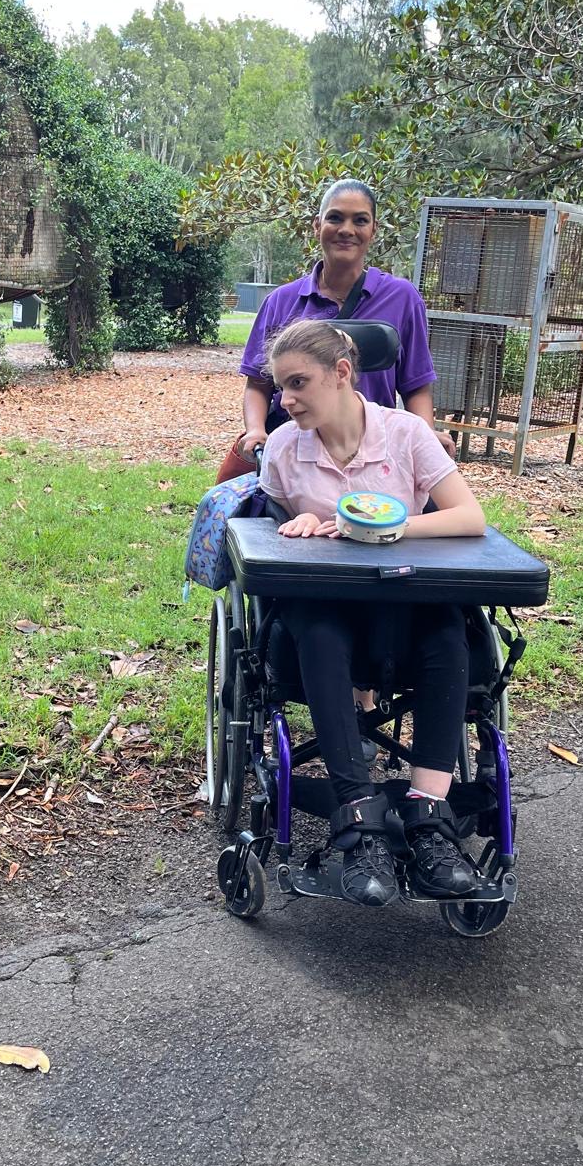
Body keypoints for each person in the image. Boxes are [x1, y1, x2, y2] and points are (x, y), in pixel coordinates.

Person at [259, 317, 487, 909]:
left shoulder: (406, 433)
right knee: (321, 632)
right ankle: (360, 824)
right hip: (327, 620)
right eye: (280, 386)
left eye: (297, 383)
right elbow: (267, 535)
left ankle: (429, 818)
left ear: (341, 374)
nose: (284, 399)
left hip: (402, 608)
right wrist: (299, 526)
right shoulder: (285, 447)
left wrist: (385, 529)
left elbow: (469, 518)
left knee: (447, 630)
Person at [216, 179, 455, 483]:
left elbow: (415, 385)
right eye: (335, 218)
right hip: (293, 450)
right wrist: (256, 430)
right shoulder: (282, 301)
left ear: (374, 230)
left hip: (373, 454)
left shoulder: (402, 298)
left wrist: (424, 436)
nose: (346, 229)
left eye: (360, 220)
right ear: (317, 225)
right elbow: (258, 384)